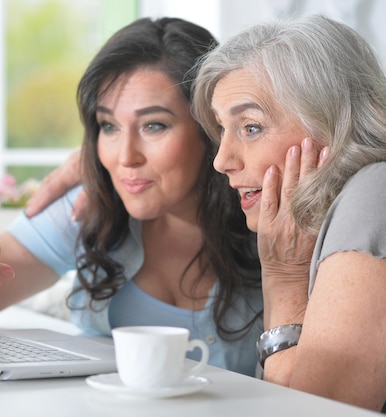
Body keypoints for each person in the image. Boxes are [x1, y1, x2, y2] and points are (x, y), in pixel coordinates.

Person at [27, 14, 386, 411]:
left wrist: (283, 281)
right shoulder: (323, 215)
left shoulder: (373, 192)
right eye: (220, 130)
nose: (222, 161)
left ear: (331, 120)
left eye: (250, 127)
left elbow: (312, 409)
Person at [0, 17, 264, 377]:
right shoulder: (88, 205)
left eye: (154, 125)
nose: (125, 157)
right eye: (109, 126)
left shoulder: (268, 215)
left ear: (210, 127)